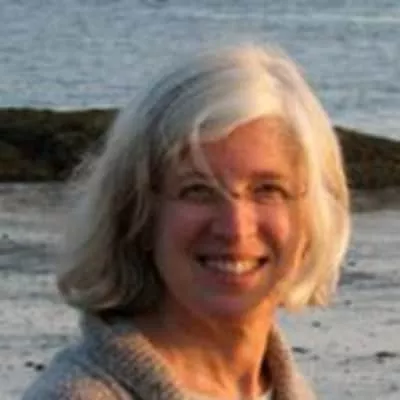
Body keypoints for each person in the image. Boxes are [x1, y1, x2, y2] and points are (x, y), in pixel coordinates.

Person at [23, 44, 350, 400]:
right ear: (138, 213)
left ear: (313, 217)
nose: (235, 228)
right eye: (198, 190)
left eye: (267, 190)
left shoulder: (283, 390)